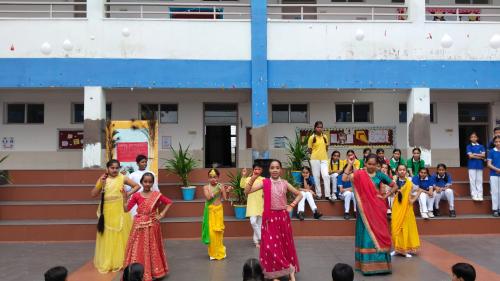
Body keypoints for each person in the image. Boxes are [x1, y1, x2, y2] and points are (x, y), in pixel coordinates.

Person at [246, 159, 302, 281]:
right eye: (272, 168)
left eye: (277, 167)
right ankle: (275, 273)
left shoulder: (285, 183)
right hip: (269, 219)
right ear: (269, 170)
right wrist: (253, 178)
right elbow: (247, 191)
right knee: (270, 247)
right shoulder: (264, 182)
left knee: (284, 246)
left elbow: (300, 194)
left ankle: (289, 270)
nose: (275, 170)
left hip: (282, 218)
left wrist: (291, 205)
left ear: (280, 170)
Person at [342, 154, 394, 275]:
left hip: (378, 209)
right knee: (366, 236)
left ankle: (382, 265)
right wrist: (350, 163)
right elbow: (344, 178)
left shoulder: (380, 175)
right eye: (369, 164)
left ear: (377, 165)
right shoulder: (360, 174)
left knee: (380, 234)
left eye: (374, 164)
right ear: (365, 163)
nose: (371, 166)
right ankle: (366, 265)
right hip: (364, 211)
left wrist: (385, 196)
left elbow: (394, 185)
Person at [91, 159, 140, 273]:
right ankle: (109, 260)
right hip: (107, 211)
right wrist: (101, 185)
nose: (115, 170)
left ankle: (121, 260)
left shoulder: (122, 178)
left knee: (120, 235)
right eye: (112, 168)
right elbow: (93, 194)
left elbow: (136, 186)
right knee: (108, 236)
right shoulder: (103, 179)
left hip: (119, 210)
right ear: (107, 168)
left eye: (117, 168)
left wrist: (127, 194)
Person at [122, 173, 172, 281]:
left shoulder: (156, 194)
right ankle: (136, 272)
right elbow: (126, 209)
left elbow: (169, 202)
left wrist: (161, 215)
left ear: (153, 183)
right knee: (137, 247)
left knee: (151, 248)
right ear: (141, 182)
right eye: (145, 181)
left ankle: (153, 271)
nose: (147, 184)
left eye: (150, 182)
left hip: (152, 224)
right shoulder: (136, 195)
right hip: (139, 225)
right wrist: (124, 198)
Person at [391, 164, 422, 258]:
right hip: (397, 208)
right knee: (395, 228)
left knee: (405, 228)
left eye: (404, 170)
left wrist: (413, 200)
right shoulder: (393, 182)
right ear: (397, 172)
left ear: (406, 172)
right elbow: (388, 192)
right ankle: (397, 249)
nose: (402, 171)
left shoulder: (409, 183)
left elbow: (419, 190)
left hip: (407, 209)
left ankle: (405, 250)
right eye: (400, 170)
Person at [202, 168, 232, 260]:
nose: (212, 179)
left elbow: (225, 199)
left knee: (218, 232)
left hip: (219, 211)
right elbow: (208, 197)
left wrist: (228, 191)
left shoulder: (221, 186)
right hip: (210, 211)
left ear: (218, 177)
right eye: (210, 177)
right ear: (208, 178)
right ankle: (212, 253)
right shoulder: (206, 187)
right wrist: (217, 191)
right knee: (211, 233)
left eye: (215, 177)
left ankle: (220, 251)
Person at [241, 164, 265, 248]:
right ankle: (261, 238)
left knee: (259, 223)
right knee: (253, 221)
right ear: (253, 170)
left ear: (261, 170)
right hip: (252, 204)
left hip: (261, 203)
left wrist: (264, 193)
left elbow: (266, 189)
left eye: (259, 169)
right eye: (255, 169)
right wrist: (244, 176)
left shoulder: (264, 179)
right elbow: (242, 186)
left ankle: (256, 242)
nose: (257, 170)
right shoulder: (248, 179)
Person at [308, 121, 331, 201]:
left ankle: (328, 195)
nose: (319, 128)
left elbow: (326, 148)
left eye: (321, 127)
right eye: (318, 127)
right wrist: (316, 154)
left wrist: (322, 154)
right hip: (314, 159)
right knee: (316, 177)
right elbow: (309, 150)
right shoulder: (312, 137)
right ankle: (319, 194)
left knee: (326, 176)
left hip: (324, 159)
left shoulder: (325, 137)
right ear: (315, 128)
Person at [467, 132, 486, 201]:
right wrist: (480, 156)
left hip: (479, 165)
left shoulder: (481, 146)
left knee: (479, 180)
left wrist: (474, 154)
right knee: (472, 181)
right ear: (470, 138)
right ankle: (474, 195)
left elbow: (484, 155)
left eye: (475, 137)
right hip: (471, 166)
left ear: (477, 138)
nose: (473, 138)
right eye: (472, 137)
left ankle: (480, 195)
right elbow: (470, 156)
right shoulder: (469, 146)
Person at [487, 135, 500, 217]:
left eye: (499, 141)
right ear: (494, 143)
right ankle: (495, 209)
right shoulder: (491, 151)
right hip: (494, 175)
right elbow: (488, 164)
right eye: (496, 142)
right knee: (495, 192)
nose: (498, 143)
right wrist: (497, 169)